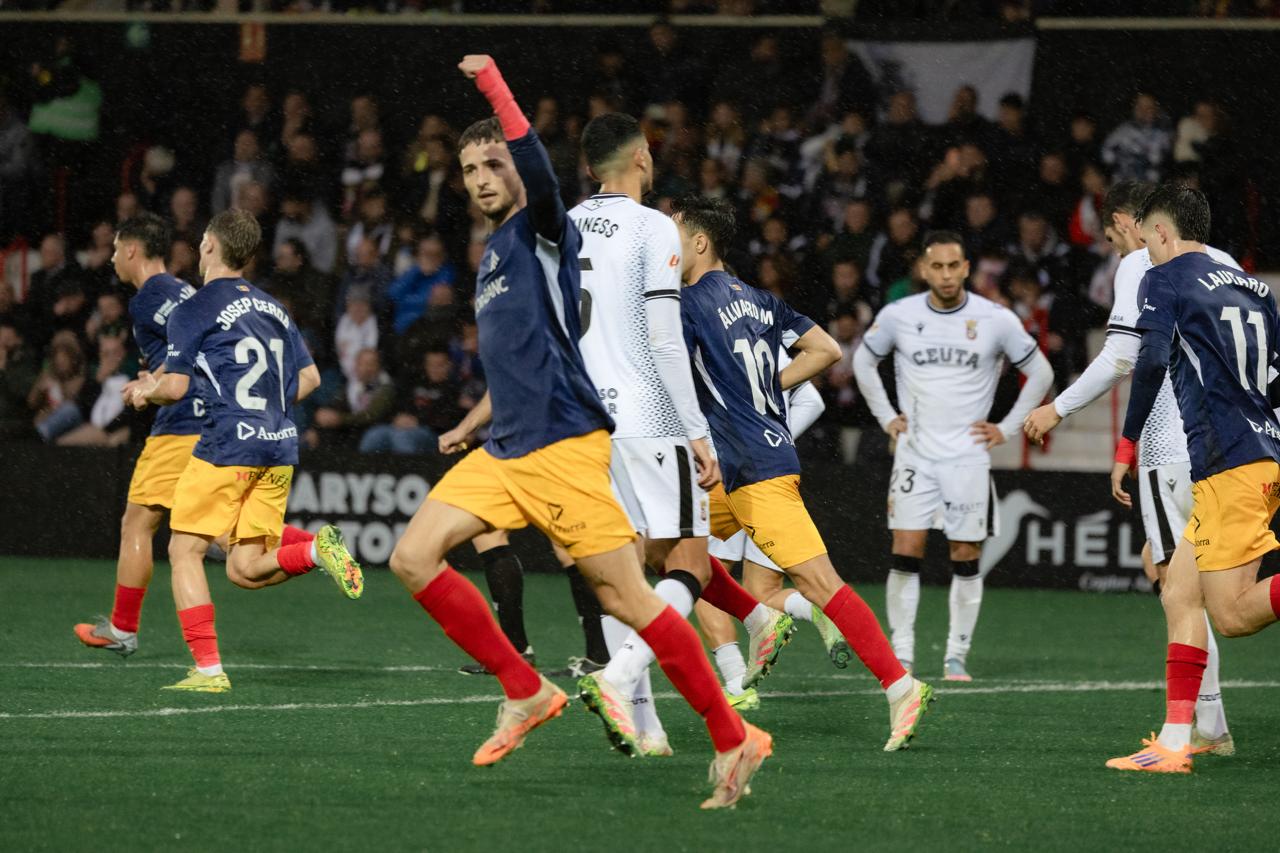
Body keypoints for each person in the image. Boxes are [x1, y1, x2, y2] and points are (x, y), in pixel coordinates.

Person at [384, 56, 768, 810]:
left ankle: (733, 735)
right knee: (413, 555)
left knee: (633, 602)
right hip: (508, 450)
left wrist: (495, 85)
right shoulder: (493, 251)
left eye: (492, 162)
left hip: (564, 446)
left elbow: (533, 163)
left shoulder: (543, 224)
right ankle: (525, 689)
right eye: (469, 168)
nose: (482, 176)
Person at [675, 193, 934, 752]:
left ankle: (901, 684)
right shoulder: (762, 301)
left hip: (753, 466)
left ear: (699, 242)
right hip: (738, 464)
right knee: (676, 549)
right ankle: (760, 620)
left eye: (673, 233)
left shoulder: (687, 302)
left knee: (821, 583)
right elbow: (826, 350)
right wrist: (770, 388)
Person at [568, 112, 792, 758]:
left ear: (588, 167)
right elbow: (665, 339)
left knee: (621, 569)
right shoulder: (656, 228)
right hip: (648, 415)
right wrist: (697, 433)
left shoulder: (566, 225)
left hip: (586, 420)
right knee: (689, 563)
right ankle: (615, 678)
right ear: (641, 156)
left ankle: (648, 729)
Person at [1023, 180, 1239, 758]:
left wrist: (1059, 407)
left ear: (1129, 221)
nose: (1123, 246)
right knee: (1199, 581)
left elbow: (1125, 356)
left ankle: (1203, 729)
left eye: (1118, 234)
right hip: (1235, 452)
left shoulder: (1146, 265)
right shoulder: (1229, 268)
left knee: (1183, 590)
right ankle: (1207, 725)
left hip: (1174, 445)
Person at [121, 209, 363, 692]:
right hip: (278, 443)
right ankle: (316, 549)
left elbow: (174, 386)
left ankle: (208, 670)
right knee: (246, 569)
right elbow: (311, 378)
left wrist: (145, 391)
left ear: (209, 245)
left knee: (184, 549)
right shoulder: (274, 308)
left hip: (227, 443)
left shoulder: (196, 307)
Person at [1100, 185, 1280, 773]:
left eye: (1147, 241)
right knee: (1179, 591)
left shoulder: (1165, 277)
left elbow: (1149, 361)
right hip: (1256, 452)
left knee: (1229, 616)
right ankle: (1177, 742)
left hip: (1229, 460)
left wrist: (1126, 444)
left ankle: (1180, 741)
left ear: (1160, 232)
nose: (1145, 253)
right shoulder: (1255, 287)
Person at [854, 231, 1053, 682]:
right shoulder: (899, 315)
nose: (945, 274)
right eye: (937, 267)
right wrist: (886, 416)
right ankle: (902, 654)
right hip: (915, 454)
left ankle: (956, 655)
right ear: (924, 270)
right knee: (906, 551)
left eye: (953, 266)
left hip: (967, 458)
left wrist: (1005, 428)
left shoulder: (994, 318)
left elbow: (1041, 371)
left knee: (965, 555)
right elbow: (864, 364)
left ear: (966, 268)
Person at [698, 342, 850, 710]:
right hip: (773, 477)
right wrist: (772, 441)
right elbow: (812, 400)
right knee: (760, 592)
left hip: (719, 477)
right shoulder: (754, 336)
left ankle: (737, 683)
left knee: (701, 575)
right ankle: (810, 607)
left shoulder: (693, 330)